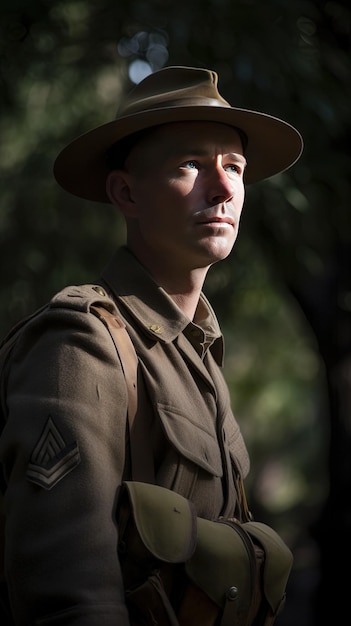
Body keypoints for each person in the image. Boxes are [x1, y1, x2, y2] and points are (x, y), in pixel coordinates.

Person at [0, 66, 303, 625]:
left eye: (234, 166)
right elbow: (70, 598)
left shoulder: (199, 351)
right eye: (191, 165)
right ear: (126, 192)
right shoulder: (82, 343)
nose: (224, 188)